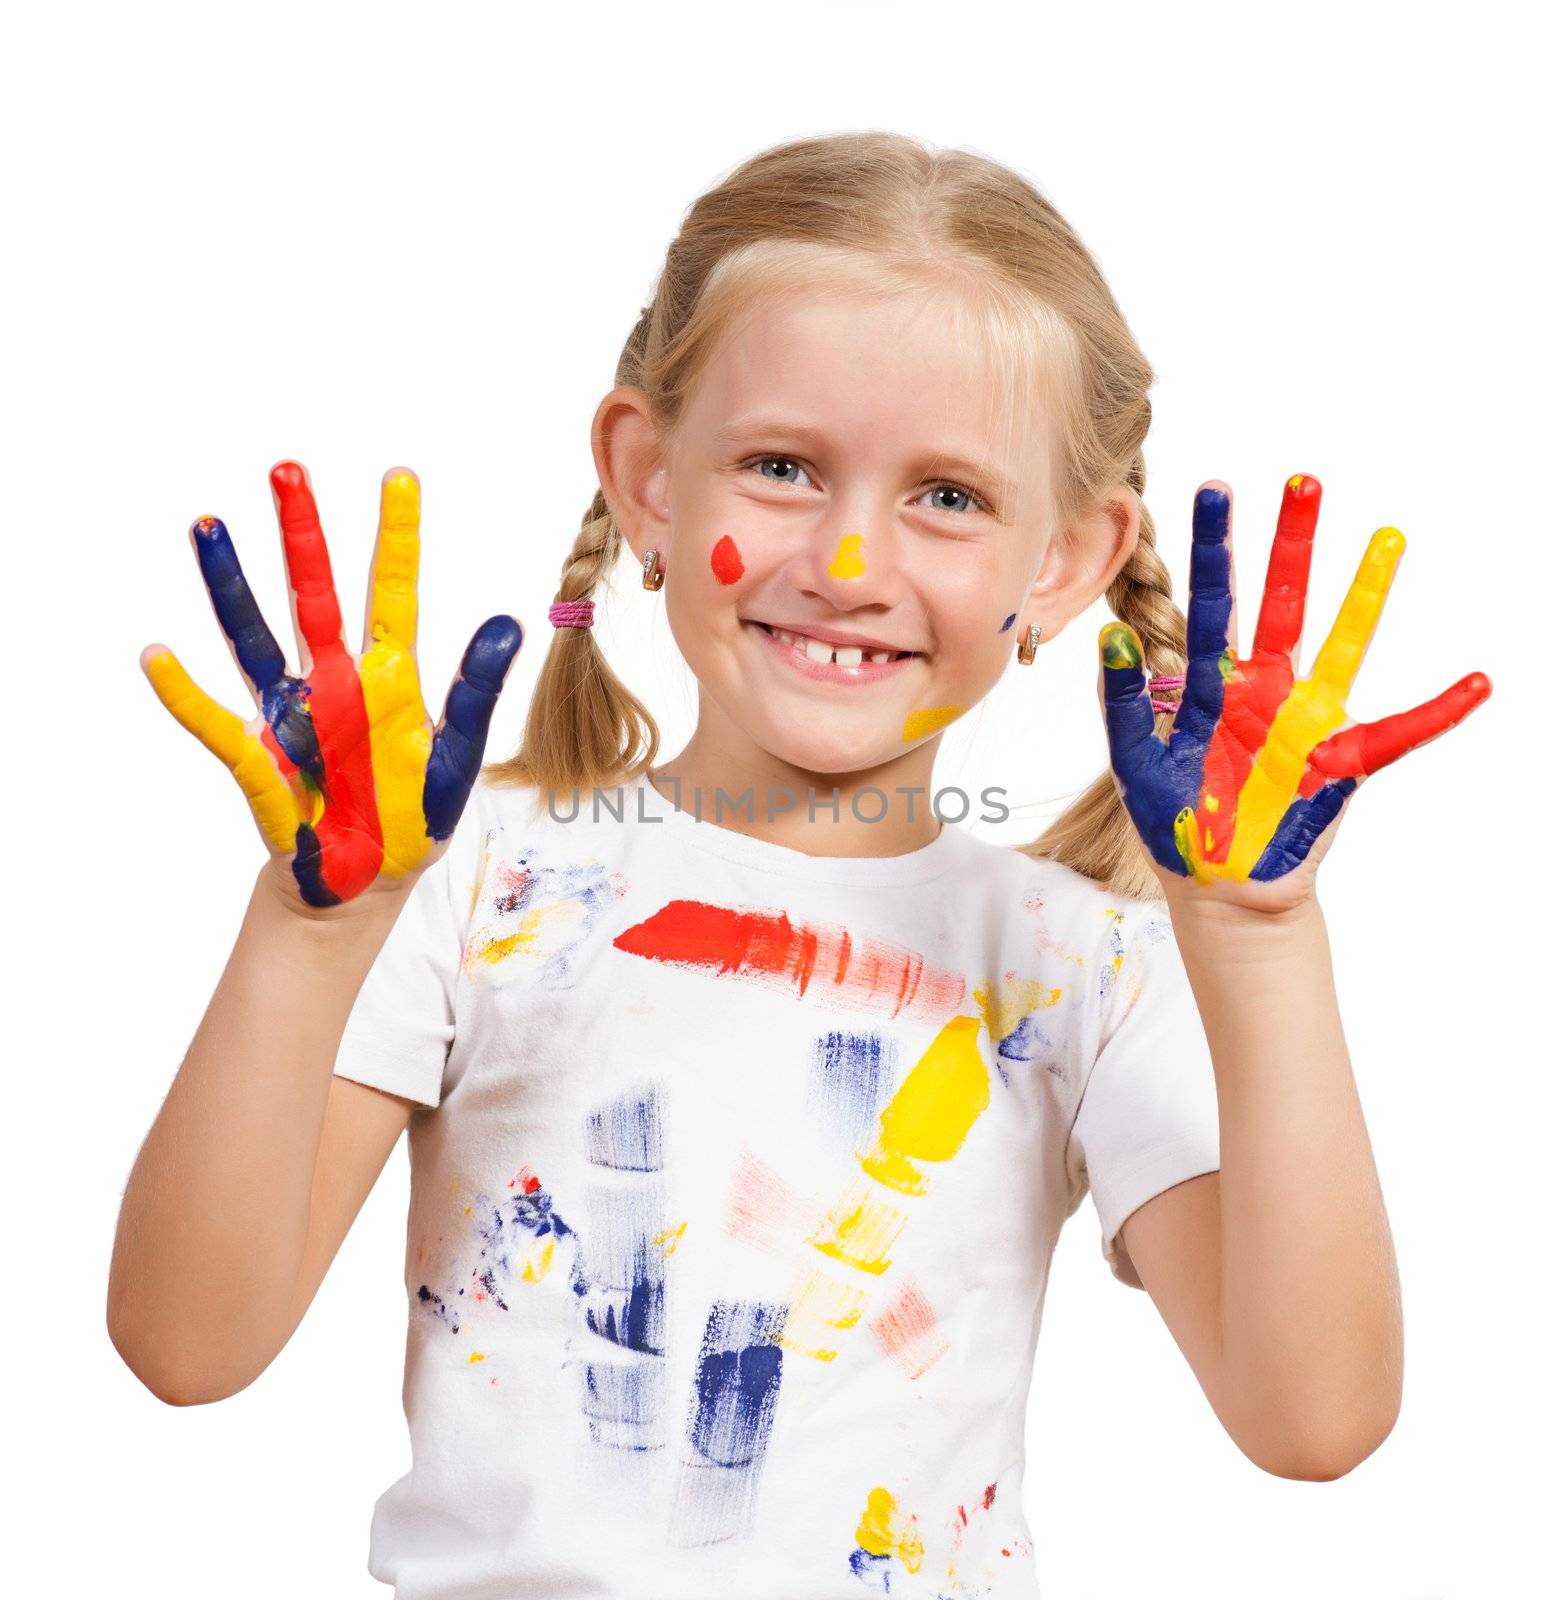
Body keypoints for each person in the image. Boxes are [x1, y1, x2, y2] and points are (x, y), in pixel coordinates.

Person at [108, 131, 1492, 1599]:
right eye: (780, 466)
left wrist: (1263, 943)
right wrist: (308, 932)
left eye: (946, 497)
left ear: (1067, 561)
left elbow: (1316, 1419)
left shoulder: (1076, 957)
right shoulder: (468, 882)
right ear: (647, 480)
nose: (845, 558)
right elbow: (187, 1347)